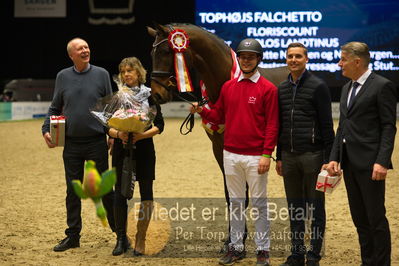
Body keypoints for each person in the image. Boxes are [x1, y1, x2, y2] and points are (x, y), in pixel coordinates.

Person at [191, 38, 279, 266]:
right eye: (243, 56)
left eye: (251, 56)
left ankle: (263, 251)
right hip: (230, 155)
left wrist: (267, 154)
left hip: (255, 157)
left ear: (259, 59)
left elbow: (272, 125)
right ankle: (236, 248)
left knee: (259, 206)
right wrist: (202, 111)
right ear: (238, 59)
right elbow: (218, 115)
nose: (246, 60)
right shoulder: (228, 87)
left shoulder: (268, 89)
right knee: (236, 204)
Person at [41, 37, 115, 251]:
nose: (85, 50)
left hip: (96, 142)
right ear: (71, 55)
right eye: (80, 48)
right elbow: (55, 108)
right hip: (71, 144)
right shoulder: (62, 76)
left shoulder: (101, 74)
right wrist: (45, 129)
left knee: (104, 190)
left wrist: (111, 133)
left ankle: (119, 234)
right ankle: (73, 236)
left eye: (87, 47)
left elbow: (109, 108)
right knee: (72, 191)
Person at [326, 41, 396, 266]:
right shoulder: (347, 87)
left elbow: (388, 126)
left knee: (375, 218)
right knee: (360, 219)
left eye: (343, 59)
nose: (340, 63)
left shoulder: (382, 85)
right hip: (349, 163)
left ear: (357, 61)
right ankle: (368, 262)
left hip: (371, 165)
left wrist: (382, 161)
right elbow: (343, 127)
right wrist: (334, 157)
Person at [276, 43, 335, 266]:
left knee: (316, 207)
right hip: (289, 157)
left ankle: (314, 255)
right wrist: (279, 156)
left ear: (306, 59)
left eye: (298, 56)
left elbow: (327, 126)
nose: (293, 60)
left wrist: (328, 159)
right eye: (290, 56)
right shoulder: (281, 88)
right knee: (295, 208)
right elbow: (279, 125)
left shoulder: (318, 86)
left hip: (313, 156)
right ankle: (297, 253)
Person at [107, 57, 164, 256]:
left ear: (139, 73)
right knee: (119, 195)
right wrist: (118, 134)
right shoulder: (118, 96)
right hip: (122, 151)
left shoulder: (150, 96)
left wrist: (141, 135)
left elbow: (160, 126)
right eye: (123, 72)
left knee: (147, 195)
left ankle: (141, 238)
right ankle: (121, 238)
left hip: (145, 150)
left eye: (130, 71)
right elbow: (107, 125)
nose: (126, 75)